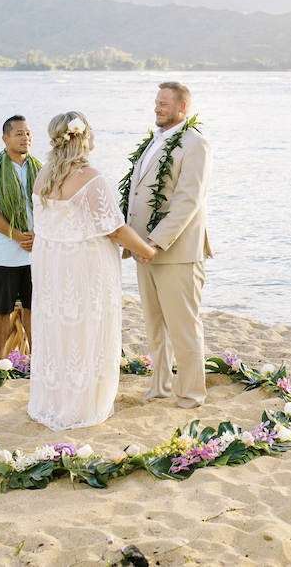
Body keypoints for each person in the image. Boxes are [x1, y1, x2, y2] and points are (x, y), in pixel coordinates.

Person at [28, 111, 156, 430]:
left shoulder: (43, 176)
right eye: (91, 132)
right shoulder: (91, 178)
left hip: (52, 266)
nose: (95, 136)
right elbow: (115, 229)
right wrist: (147, 250)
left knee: (60, 329)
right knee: (87, 328)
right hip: (84, 267)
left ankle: (57, 398)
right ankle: (84, 404)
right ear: (82, 138)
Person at [121, 82, 212, 409]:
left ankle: (190, 394)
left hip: (175, 252)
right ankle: (159, 387)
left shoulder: (196, 144)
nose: (157, 108)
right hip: (142, 249)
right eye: (156, 102)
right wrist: (134, 242)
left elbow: (188, 201)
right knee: (154, 324)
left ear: (182, 107)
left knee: (184, 326)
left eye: (164, 103)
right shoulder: (154, 141)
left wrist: (155, 243)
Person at [0, 115, 40, 360]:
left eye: (28, 133)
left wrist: (39, 236)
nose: (26, 138)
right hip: (4, 253)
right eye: (19, 134)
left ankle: (38, 357)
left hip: (36, 251)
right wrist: (17, 235)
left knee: (34, 308)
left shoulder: (41, 170)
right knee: (2, 309)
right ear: (6, 138)